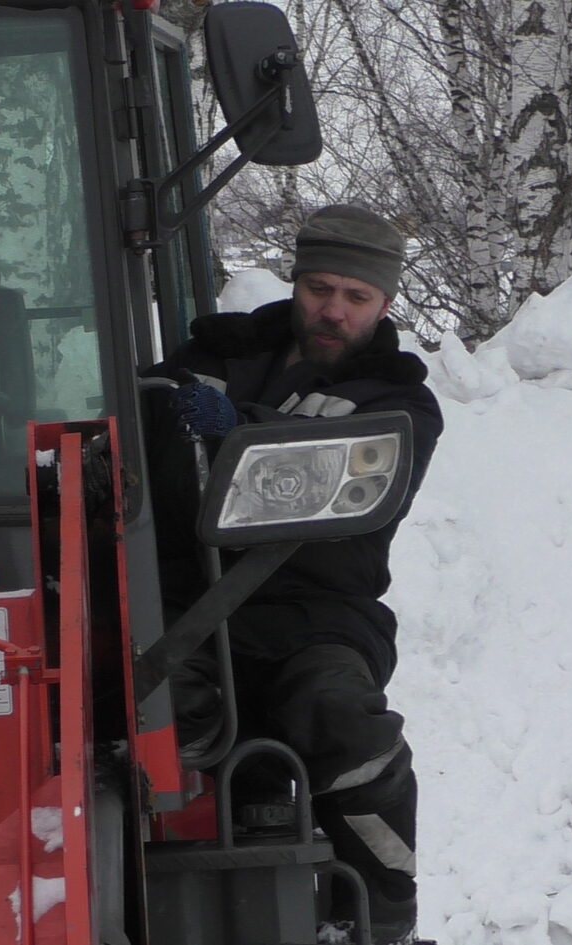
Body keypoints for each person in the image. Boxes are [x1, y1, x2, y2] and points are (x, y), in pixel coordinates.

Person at [144, 205, 442, 944]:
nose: (332, 310)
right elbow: (143, 456)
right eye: (318, 288)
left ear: (384, 302)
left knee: (345, 721)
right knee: (146, 719)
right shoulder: (212, 352)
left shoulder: (401, 404)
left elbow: (336, 508)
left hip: (319, 617)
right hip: (187, 615)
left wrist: (232, 434)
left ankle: (379, 920)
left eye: (355, 296)